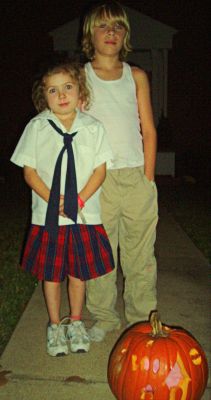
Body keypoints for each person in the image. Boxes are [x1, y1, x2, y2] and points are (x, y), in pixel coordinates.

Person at [10, 57, 115, 356]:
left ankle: (76, 322)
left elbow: (100, 170)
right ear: (43, 97)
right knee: (52, 274)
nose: (62, 95)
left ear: (80, 92)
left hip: (83, 215)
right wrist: (52, 199)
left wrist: (78, 199)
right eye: (53, 90)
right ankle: (56, 326)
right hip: (49, 217)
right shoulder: (37, 127)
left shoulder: (93, 128)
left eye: (67, 87)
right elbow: (29, 172)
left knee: (78, 273)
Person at [82, 0, 158, 341]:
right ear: (90, 33)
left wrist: (148, 177)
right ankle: (104, 316)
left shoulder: (136, 75)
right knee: (101, 254)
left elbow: (148, 129)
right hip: (98, 179)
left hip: (135, 176)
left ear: (125, 34)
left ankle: (142, 317)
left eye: (118, 26)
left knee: (141, 254)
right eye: (103, 25)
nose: (111, 32)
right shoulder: (79, 77)